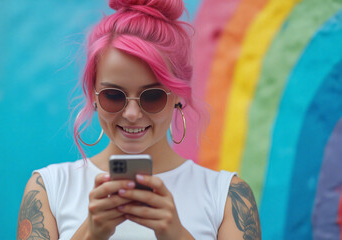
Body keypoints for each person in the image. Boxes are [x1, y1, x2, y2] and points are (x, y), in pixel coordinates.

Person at [17, 0, 261, 239]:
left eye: (152, 96)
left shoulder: (228, 196)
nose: (132, 114)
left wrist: (176, 235)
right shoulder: (49, 189)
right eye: (114, 96)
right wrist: (90, 233)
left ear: (178, 94)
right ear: (93, 94)